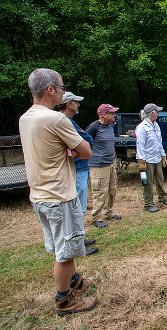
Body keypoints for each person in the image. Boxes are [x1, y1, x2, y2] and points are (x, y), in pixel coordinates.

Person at [19, 68, 97, 315]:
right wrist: (72, 150)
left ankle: (75, 282)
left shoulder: (25, 118)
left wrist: (67, 150)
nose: (64, 92)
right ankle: (64, 300)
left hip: (39, 195)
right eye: (62, 87)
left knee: (60, 245)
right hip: (60, 195)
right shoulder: (56, 119)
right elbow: (86, 151)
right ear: (51, 90)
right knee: (66, 252)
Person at [56, 91, 98, 255]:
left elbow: (86, 139)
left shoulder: (69, 121)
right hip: (77, 168)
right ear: (69, 104)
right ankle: (78, 245)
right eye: (76, 102)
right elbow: (87, 140)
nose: (78, 104)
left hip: (79, 167)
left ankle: (79, 239)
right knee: (77, 209)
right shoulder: (65, 122)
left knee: (78, 207)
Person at [87, 104, 121, 227]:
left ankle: (108, 213)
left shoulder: (110, 126)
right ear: (103, 115)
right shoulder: (94, 127)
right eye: (112, 113)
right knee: (100, 191)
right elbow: (84, 143)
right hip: (98, 166)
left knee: (112, 189)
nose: (114, 115)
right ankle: (96, 217)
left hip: (110, 163)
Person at [136, 103, 167, 212]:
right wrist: (142, 160)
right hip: (147, 159)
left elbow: (159, 142)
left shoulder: (156, 125)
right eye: (157, 111)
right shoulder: (142, 127)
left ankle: (163, 198)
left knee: (160, 179)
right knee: (148, 182)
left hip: (157, 157)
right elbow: (140, 145)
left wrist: (163, 155)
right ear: (151, 113)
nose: (158, 113)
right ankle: (148, 204)